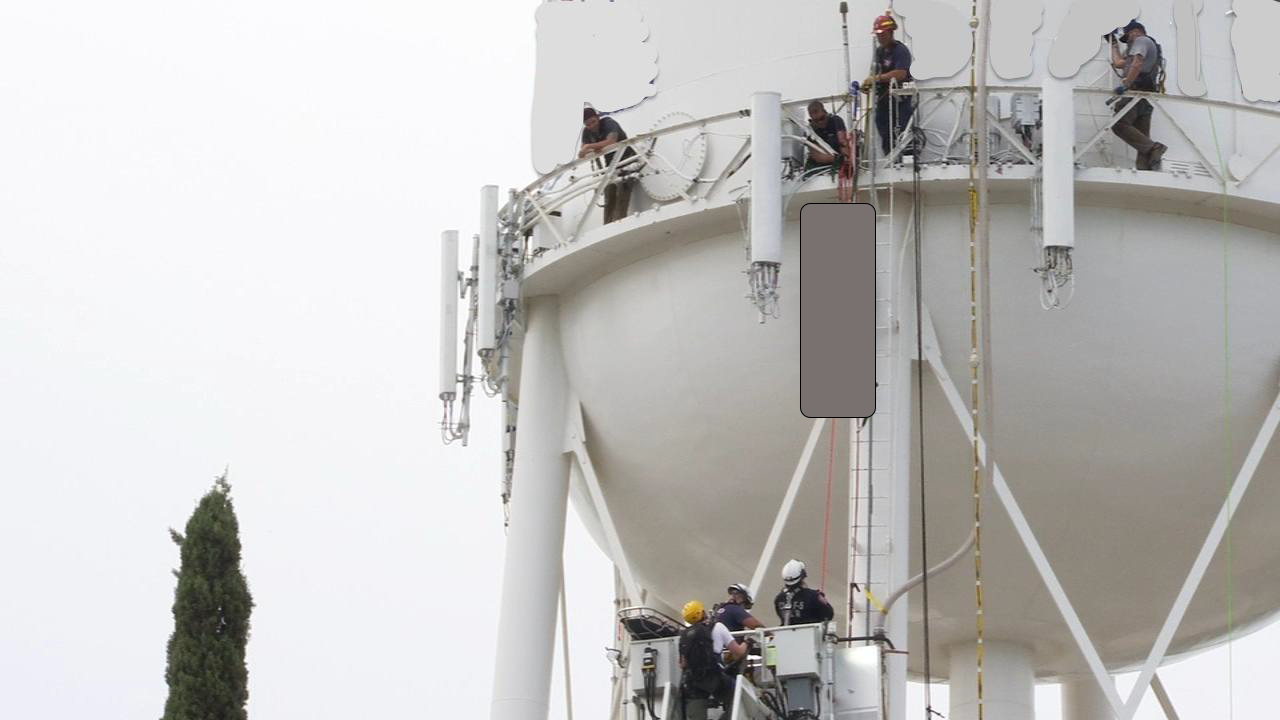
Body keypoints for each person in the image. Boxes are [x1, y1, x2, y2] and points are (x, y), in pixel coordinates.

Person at [1108, 20, 1167, 170]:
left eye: (1127, 38)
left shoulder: (1141, 41)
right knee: (1143, 138)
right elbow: (1119, 63)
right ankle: (1146, 169)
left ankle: (1155, 148)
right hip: (1145, 97)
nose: (1127, 43)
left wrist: (1126, 84)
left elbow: (1137, 63)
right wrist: (1113, 44)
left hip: (1134, 93)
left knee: (1119, 124)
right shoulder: (1144, 46)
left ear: (1135, 31)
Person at [679, 600, 746, 720]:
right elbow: (739, 652)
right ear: (702, 613)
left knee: (696, 716)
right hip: (714, 678)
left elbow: (683, 664)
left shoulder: (684, 635)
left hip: (693, 681)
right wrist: (748, 642)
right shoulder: (718, 627)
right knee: (739, 699)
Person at [864, 13, 914, 157]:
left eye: (882, 33)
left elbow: (901, 73)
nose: (880, 37)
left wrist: (877, 78)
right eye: (878, 34)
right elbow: (875, 71)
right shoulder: (879, 52)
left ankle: (907, 157)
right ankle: (890, 157)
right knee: (884, 129)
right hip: (884, 100)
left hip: (900, 99)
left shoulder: (900, 50)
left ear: (890, 32)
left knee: (903, 128)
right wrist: (869, 84)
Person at [579, 107, 637, 224]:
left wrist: (591, 147)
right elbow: (583, 152)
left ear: (598, 118)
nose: (592, 126)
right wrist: (593, 148)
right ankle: (608, 225)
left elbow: (612, 140)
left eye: (593, 122)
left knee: (622, 192)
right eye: (588, 124)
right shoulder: (586, 132)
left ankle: (619, 223)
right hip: (611, 166)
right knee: (609, 193)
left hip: (627, 161)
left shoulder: (609, 123)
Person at [773, 559, 834, 626]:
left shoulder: (779, 599)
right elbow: (829, 614)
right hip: (811, 634)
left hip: (786, 635)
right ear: (802, 576)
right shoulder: (813, 596)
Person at [804, 101, 849, 174]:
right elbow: (816, 155)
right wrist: (838, 159)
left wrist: (846, 158)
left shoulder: (836, 120)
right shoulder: (809, 130)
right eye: (816, 120)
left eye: (822, 118)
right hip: (822, 163)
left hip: (839, 157)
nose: (820, 122)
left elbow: (843, 142)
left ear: (825, 112)